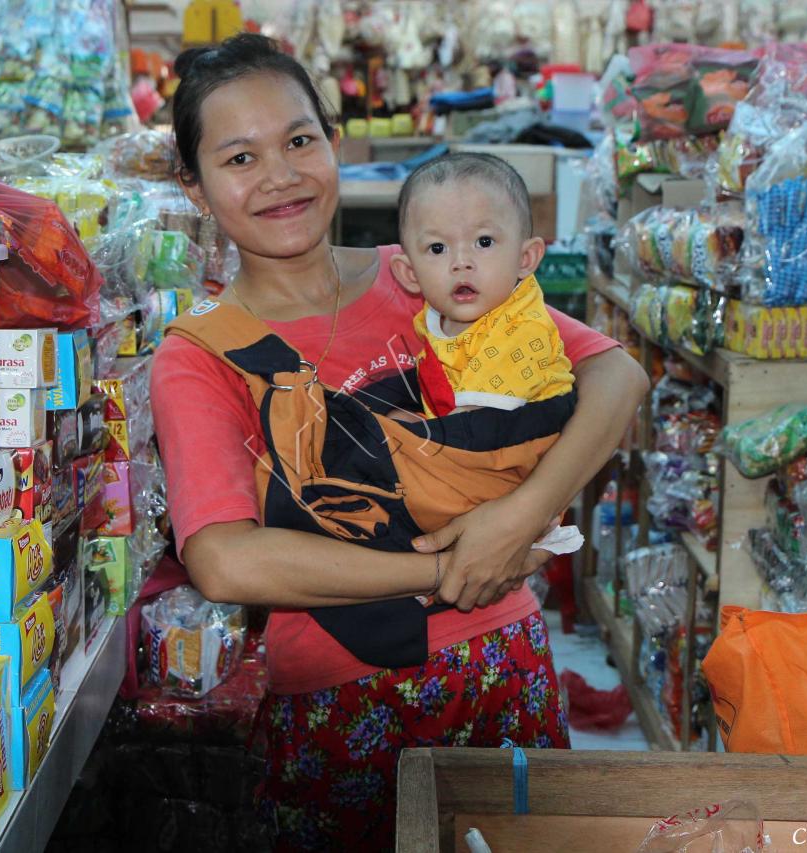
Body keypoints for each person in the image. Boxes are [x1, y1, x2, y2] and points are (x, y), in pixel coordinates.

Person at [150, 34, 650, 851]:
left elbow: (614, 375)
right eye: (240, 157)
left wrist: (519, 515)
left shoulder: (419, 272)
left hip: (504, 667)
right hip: (343, 704)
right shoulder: (200, 353)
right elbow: (226, 560)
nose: (280, 176)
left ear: (333, 143)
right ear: (195, 187)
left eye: (300, 141)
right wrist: (448, 567)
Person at [389, 151, 576, 417]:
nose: (461, 262)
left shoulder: (521, 330)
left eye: (484, 242)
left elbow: (474, 427)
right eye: (438, 247)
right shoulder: (433, 317)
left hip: (521, 446)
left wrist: (413, 430)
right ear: (410, 274)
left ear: (525, 258)